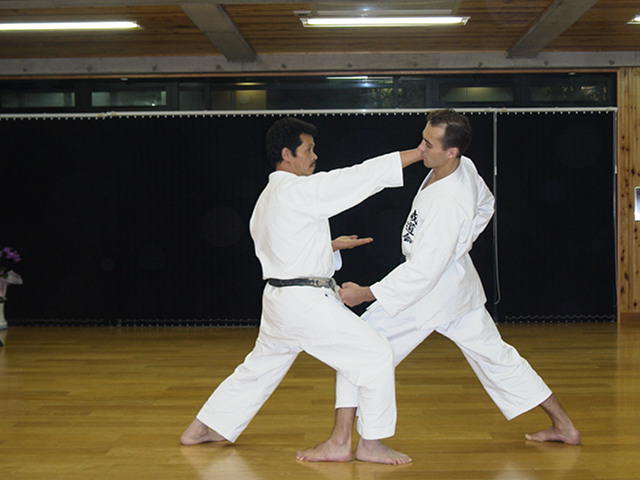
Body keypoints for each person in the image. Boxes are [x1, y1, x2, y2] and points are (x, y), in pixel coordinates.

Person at [297, 109, 580, 463]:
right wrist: (459, 247)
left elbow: (423, 272)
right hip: (455, 286)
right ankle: (564, 426)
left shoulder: (450, 201)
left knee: (360, 350)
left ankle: (343, 442)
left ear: (452, 152)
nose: (421, 149)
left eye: (429, 145)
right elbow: (487, 205)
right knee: (498, 357)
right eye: (422, 139)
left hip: (426, 294)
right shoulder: (465, 167)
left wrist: (367, 292)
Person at [181, 117, 424, 464]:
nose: (314, 156)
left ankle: (203, 427)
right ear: (287, 154)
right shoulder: (297, 191)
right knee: (376, 355)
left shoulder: (268, 199)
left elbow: (284, 247)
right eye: (308, 150)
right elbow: (359, 176)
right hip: (303, 302)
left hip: (280, 300)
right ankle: (368, 444)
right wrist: (416, 153)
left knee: (260, 368)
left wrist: (329, 245)